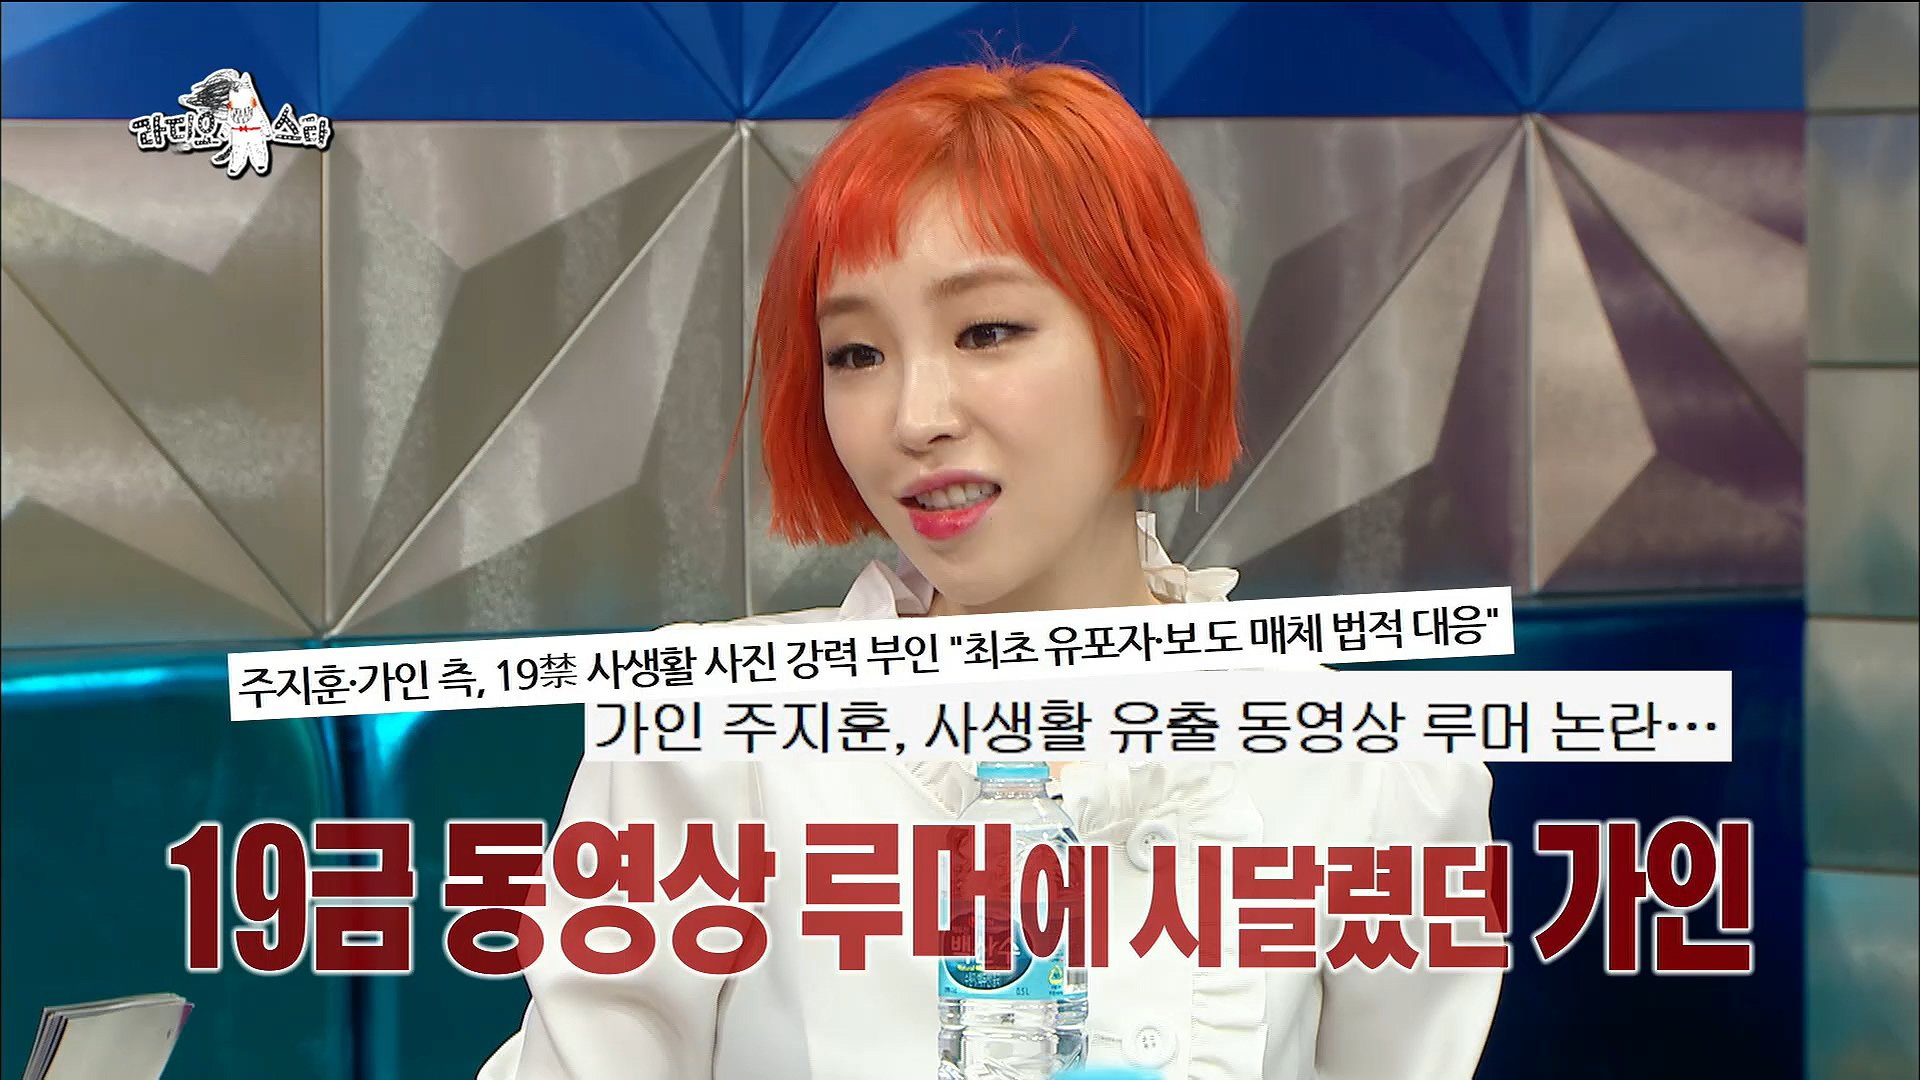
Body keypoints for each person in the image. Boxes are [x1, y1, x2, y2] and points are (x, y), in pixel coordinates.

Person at [478, 59, 1499, 1080]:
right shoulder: (707, 738)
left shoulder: (1369, 774)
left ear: (1145, 354)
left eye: (987, 331)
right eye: (855, 354)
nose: (915, 417)